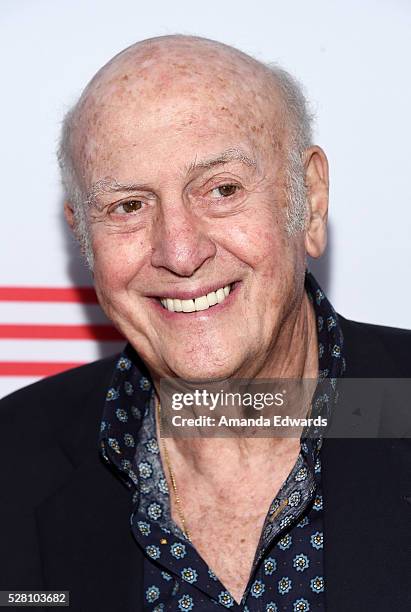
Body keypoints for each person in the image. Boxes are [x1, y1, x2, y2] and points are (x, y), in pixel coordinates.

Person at [0, 35, 410, 612]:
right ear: (83, 238)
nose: (181, 251)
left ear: (310, 200)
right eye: (128, 206)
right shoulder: (11, 461)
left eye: (222, 190)